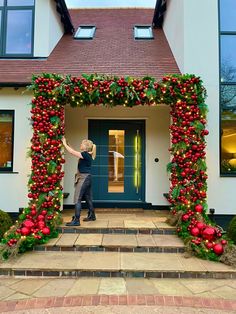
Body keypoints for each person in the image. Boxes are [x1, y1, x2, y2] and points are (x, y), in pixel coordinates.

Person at [62, 137, 96, 226]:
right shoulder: (87, 154)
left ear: (85, 147)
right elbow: (74, 151)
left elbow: (72, 152)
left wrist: (64, 144)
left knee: (77, 199)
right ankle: (92, 215)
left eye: (81, 144)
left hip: (83, 178)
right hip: (87, 178)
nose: (80, 145)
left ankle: (76, 220)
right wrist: (67, 143)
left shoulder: (85, 154)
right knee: (88, 197)